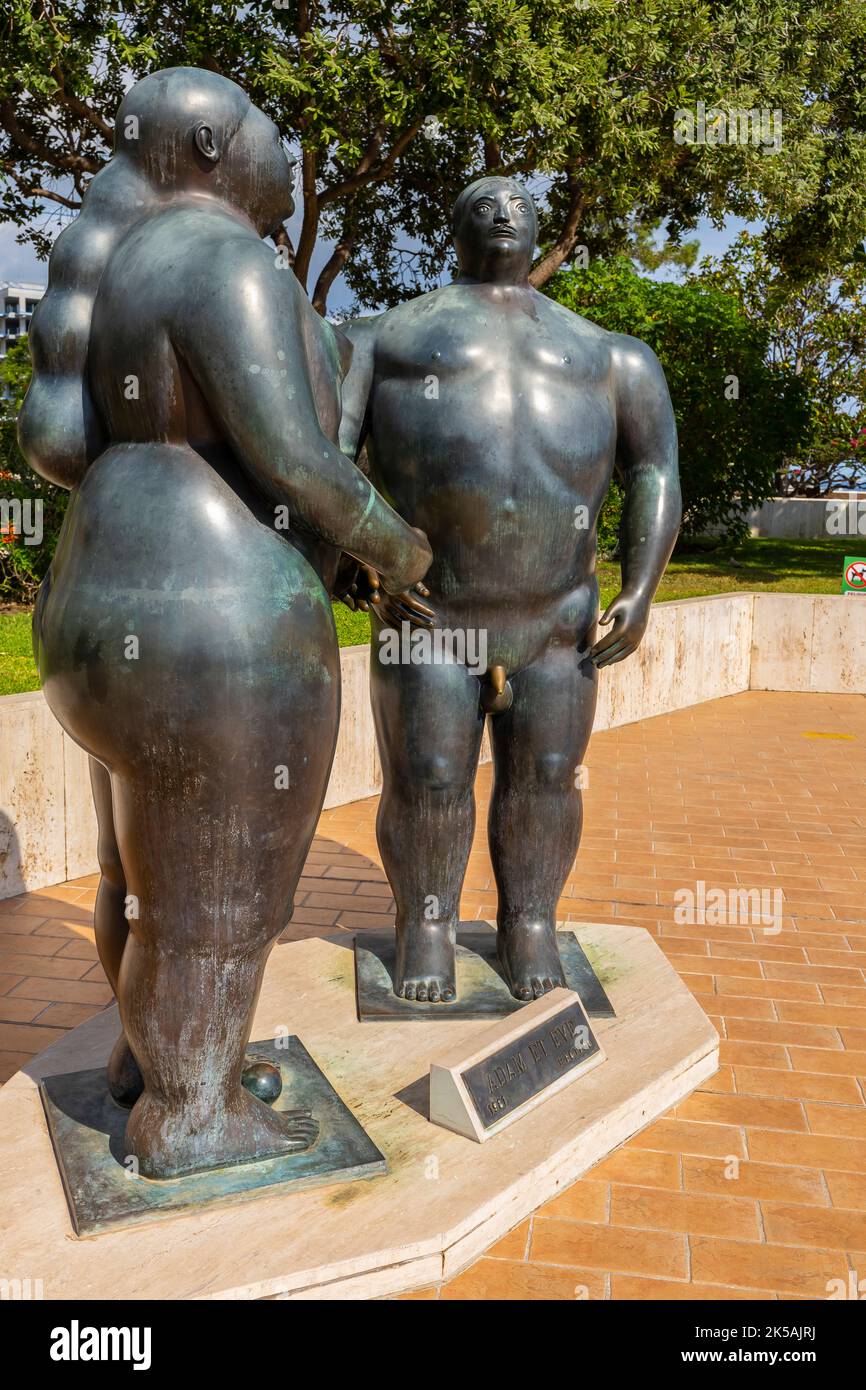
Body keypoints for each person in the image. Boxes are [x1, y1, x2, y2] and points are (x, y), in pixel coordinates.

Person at [20, 67, 429, 1178]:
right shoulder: (225, 262)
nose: (288, 162)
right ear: (209, 143)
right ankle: (190, 1116)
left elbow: (64, 446)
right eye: (271, 136)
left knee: (142, 869)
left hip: (103, 607)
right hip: (218, 624)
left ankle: (149, 1061)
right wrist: (399, 550)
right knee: (226, 888)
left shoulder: (119, 270)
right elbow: (296, 459)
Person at [339, 175, 680, 1005]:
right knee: (426, 776)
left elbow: (655, 469)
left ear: (539, 236)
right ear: (452, 229)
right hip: (430, 612)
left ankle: (529, 920)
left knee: (548, 775)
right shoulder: (384, 338)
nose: (504, 211)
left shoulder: (610, 354)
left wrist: (641, 586)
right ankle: (426, 922)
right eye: (483, 202)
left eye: (520, 204)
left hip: (557, 619)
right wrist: (358, 565)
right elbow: (329, 465)